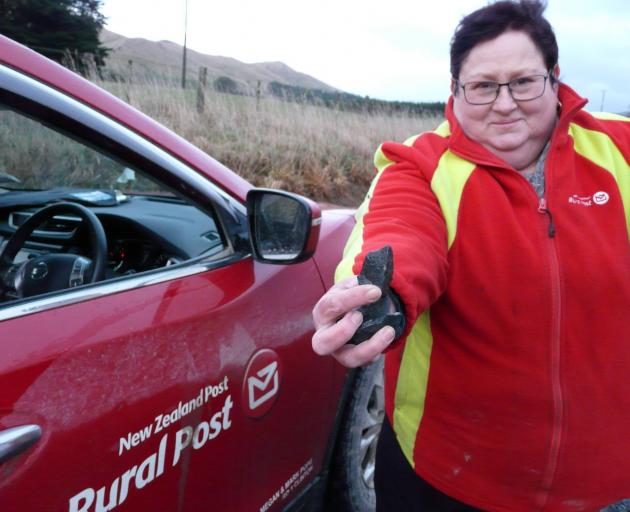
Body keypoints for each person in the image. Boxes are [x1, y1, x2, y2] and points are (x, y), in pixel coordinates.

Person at [311, 1, 630, 510]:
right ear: (455, 92)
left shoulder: (619, 149)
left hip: (605, 481)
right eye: (482, 87)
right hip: (445, 473)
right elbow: (398, 233)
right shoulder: (418, 164)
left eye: (523, 82)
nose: (504, 104)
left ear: (554, 79)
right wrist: (377, 297)